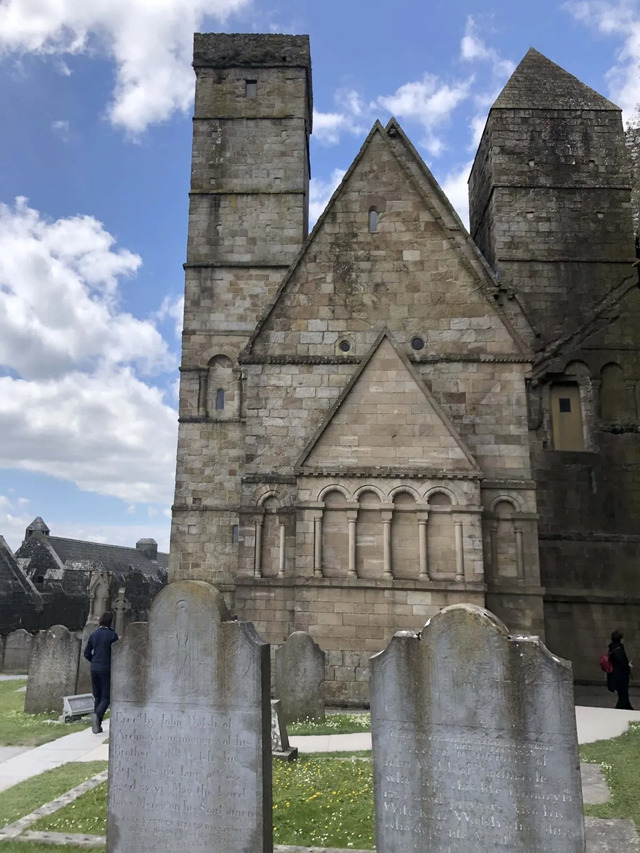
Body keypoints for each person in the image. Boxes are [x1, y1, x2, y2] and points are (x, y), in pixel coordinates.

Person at [83, 611, 118, 733]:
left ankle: (97, 725)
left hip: (94, 668)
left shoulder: (94, 635)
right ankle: (97, 715)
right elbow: (116, 654)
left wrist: (94, 662)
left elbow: (86, 653)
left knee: (97, 696)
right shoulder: (112, 636)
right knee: (106, 697)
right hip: (106, 668)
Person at [608, 629, 633, 710]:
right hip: (621, 676)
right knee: (623, 694)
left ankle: (627, 707)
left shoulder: (612, 647)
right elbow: (621, 663)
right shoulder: (618, 649)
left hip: (617, 674)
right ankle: (622, 709)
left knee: (623, 694)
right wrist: (628, 666)